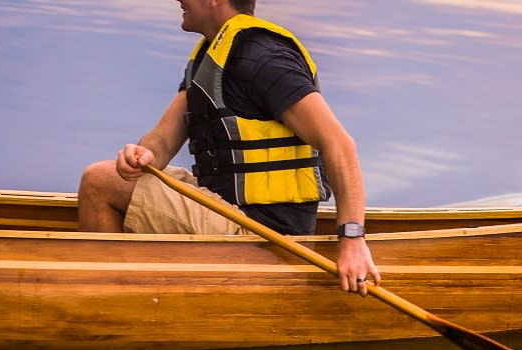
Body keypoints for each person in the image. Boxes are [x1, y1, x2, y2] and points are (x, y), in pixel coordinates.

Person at [78, 0, 381, 296]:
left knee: (99, 183)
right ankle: (123, 286)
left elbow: (340, 144)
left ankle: (106, 298)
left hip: (265, 234)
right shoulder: (212, 56)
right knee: (117, 178)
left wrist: (352, 238)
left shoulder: (263, 59)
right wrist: (143, 155)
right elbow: (162, 139)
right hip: (225, 208)